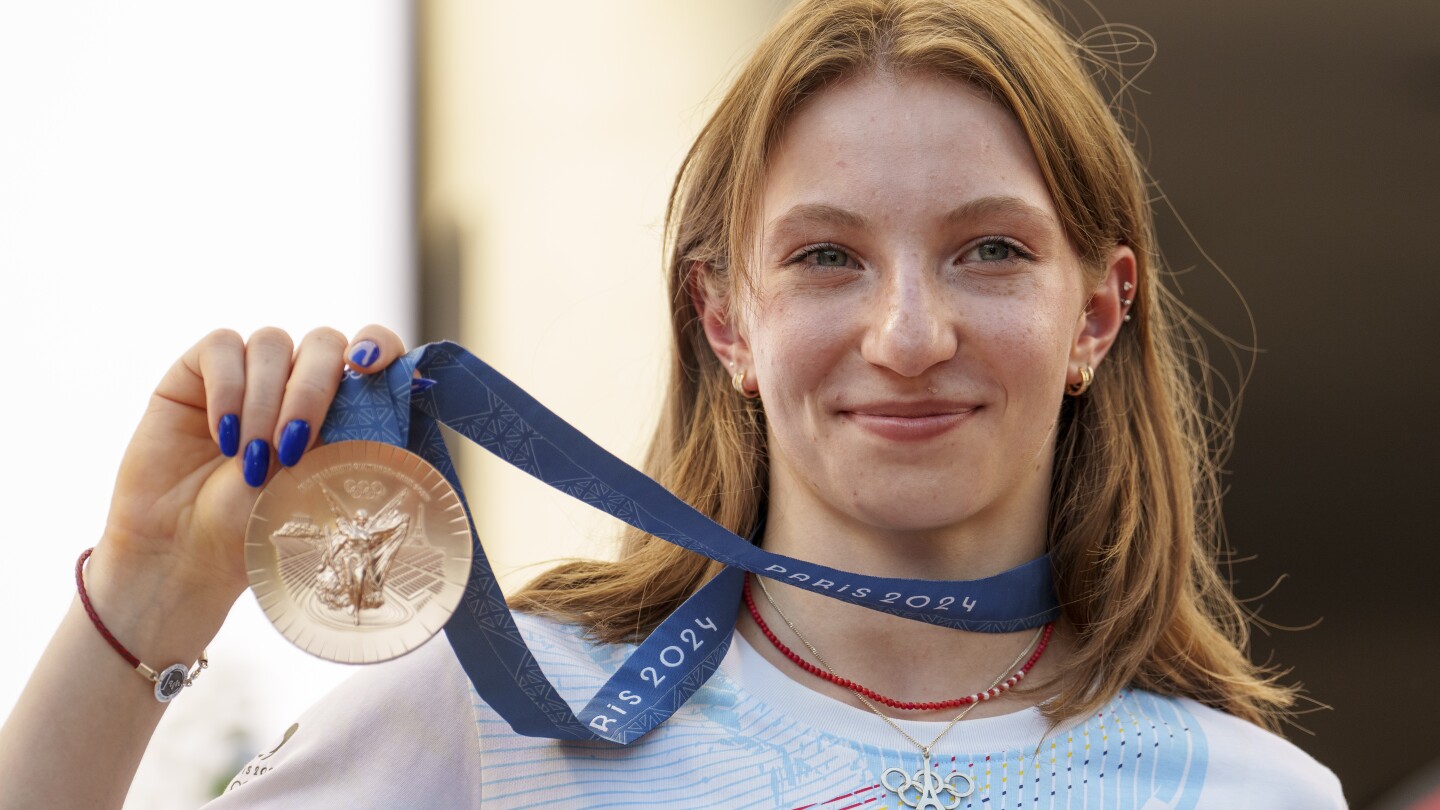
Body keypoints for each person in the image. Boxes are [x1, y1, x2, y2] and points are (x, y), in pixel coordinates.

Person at [0, 0, 1347, 806]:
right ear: (726, 320)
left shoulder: (1263, 794)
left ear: (1097, 314)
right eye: (826, 255)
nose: (910, 333)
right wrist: (145, 597)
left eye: (990, 250)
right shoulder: (488, 727)